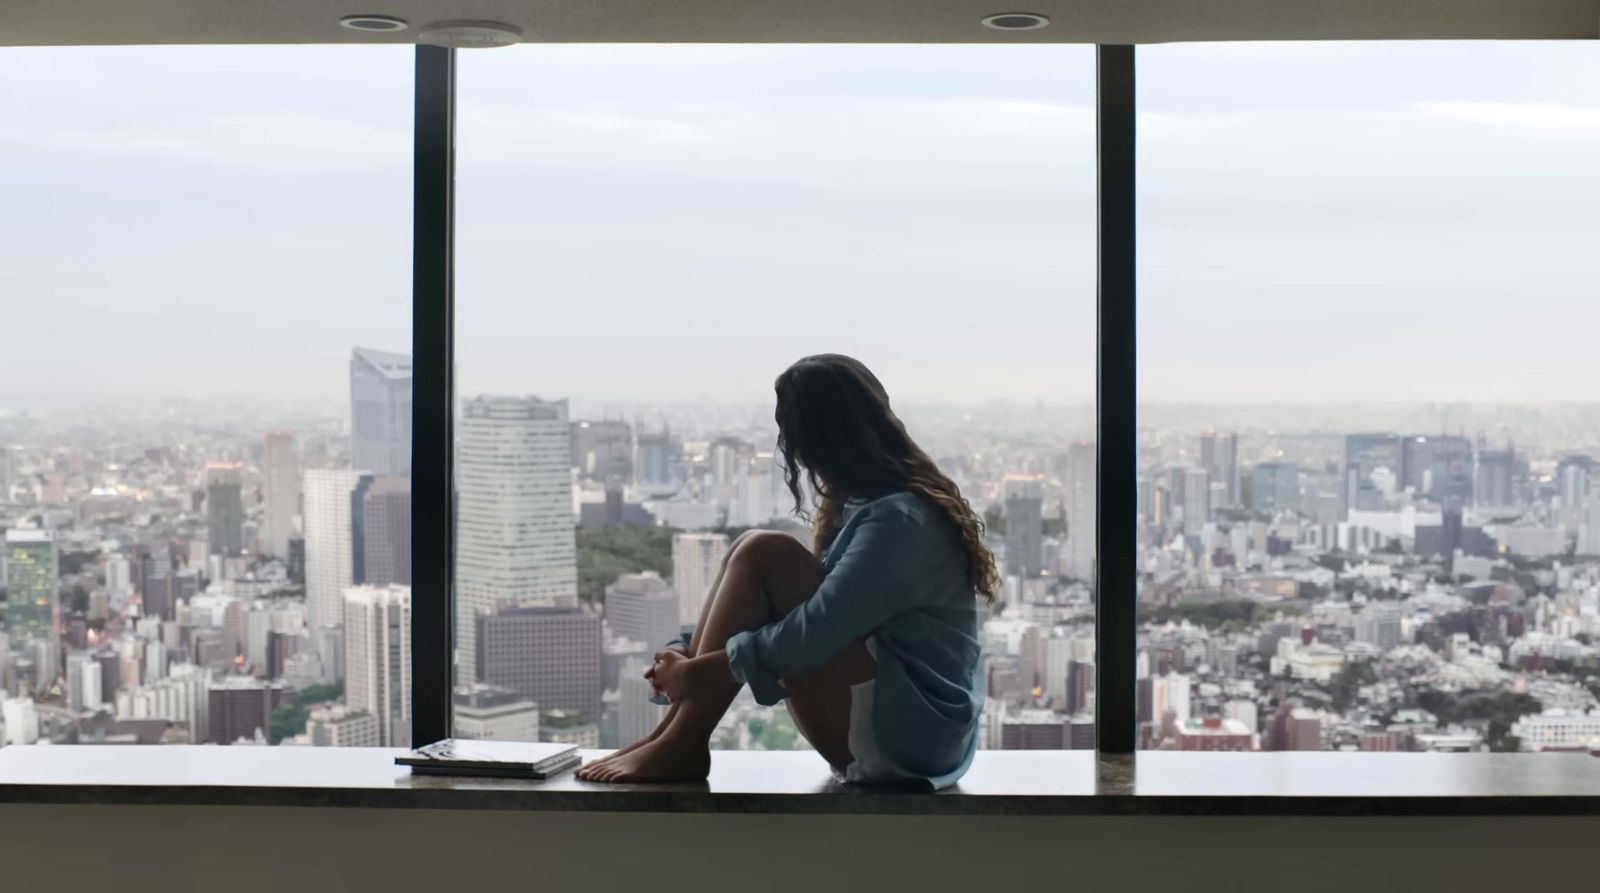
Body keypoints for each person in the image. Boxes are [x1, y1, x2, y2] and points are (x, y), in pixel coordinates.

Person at [576, 354, 997, 788]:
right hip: (913, 730)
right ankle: (669, 738)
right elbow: (786, 612)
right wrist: (686, 651)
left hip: (913, 737)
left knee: (765, 550)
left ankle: (681, 741)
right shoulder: (872, 509)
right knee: (752, 547)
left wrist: (700, 672)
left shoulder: (898, 520)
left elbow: (817, 630)